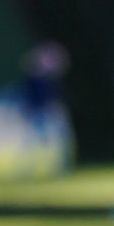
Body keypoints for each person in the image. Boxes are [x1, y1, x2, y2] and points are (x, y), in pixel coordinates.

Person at [16, 41, 69, 177]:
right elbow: (30, 97)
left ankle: (57, 168)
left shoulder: (49, 79)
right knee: (32, 143)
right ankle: (26, 170)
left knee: (55, 141)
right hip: (37, 113)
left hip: (47, 112)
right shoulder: (34, 78)